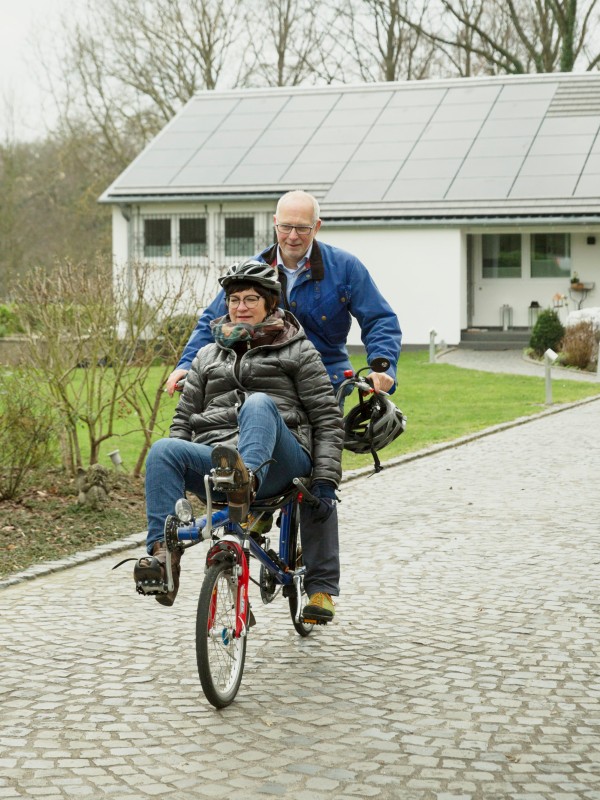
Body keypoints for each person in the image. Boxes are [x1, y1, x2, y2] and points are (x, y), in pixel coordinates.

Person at [136, 259, 344, 624]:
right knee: (163, 449)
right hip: (219, 459)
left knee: (259, 402)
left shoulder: (298, 350)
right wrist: (179, 482)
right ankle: (163, 557)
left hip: (281, 459)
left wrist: (326, 479)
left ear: (270, 306)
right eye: (234, 299)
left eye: (250, 299)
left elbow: (326, 418)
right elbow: (182, 423)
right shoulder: (205, 356)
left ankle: (245, 483)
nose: (241, 307)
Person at [165, 190, 401, 398]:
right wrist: (187, 365)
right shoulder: (251, 271)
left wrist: (383, 367)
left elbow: (379, 319)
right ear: (275, 223)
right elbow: (212, 320)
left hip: (328, 382)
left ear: (317, 226)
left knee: (323, 448)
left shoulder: (346, 268)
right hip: (265, 384)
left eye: (302, 228)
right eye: (286, 226)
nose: (293, 236)